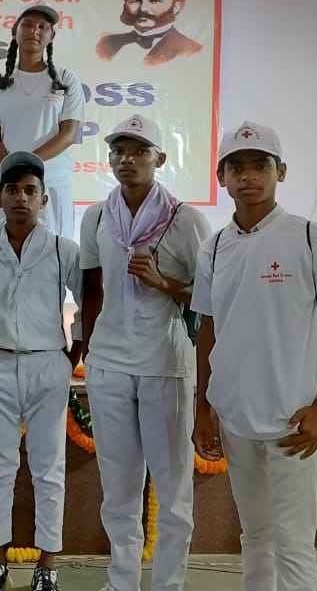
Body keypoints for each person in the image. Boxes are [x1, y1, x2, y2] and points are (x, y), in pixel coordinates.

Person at [192, 121, 317, 591]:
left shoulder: (310, 238)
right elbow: (207, 330)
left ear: (280, 171)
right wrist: (203, 407)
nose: (248, 176)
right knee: (256, 534)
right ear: (222, 178)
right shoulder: (214, 248)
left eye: (260, 165)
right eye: (236, 168)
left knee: (293, 541)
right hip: (235, 416)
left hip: (294, 420)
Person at [78, 114, 211, 591]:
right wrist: (88, 349)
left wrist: (164, 282)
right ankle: (122, 581)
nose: (127, 160)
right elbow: (91, 288)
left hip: (165, 363)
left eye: (138, 151)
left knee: (173, 489)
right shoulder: (97, 216)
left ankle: (168, 584)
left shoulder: (186, 220)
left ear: (160, 158)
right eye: (118, 151)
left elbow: (209, 297)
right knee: (118, 487)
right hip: (109, 363)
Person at [0, 151, 83, 591]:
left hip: (48, 364)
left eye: (30, 191)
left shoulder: (62, 249)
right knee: (0, 468)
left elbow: (89, 303)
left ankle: (47, 567)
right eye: (12, 190)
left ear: (44, 199)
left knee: (48, 470)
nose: (21, 198)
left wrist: (71, 356)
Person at [0, 3, 85, 238]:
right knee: (1, 252)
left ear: (51, 36)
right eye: (27, 25)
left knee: (53, 253)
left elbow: (68, 134)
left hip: (51, 184)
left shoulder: (66, 80)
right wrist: (14, 173)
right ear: (15, 32)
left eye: (42, 27)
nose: (34, 31)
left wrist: (27, 167)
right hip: (6, 185)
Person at [95, 0, 203, 66]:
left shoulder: (190, 49)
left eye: (154, 1)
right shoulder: (106, 42)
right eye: (134, 1)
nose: (143, 9)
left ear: (175, 8)